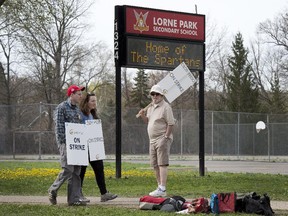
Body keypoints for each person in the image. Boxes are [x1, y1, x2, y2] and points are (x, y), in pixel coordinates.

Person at [48, 85, 87, 206]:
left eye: (81, 94)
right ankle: (53, 190)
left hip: (76, 144)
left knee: (76, 171)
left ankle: (73, 199)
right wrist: (65, 143)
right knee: (68, 168)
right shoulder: (62, 107)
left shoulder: (77, 109)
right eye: (79, 94)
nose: (81, 96)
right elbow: (59, 127)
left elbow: (79, 127)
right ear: (72, 94)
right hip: (65, 143)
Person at [79, 92, 117, 202]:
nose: (95, 103)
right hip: (84, 147)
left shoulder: (92, 114)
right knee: (82, 171)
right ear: (86, 102)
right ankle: (78, 194)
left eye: (95, 101)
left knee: (99, 168)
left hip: (93, 147)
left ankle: (104, 194)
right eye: (92, 101)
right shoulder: (80, 114)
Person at [138, 85, 175, 197]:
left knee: (162, 163)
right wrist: (142, 115)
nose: (155, 96)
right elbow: (148, 121)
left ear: (162, 95)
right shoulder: (150, 107)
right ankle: (159, 186)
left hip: (162, 139)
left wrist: (166, 137)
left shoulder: (166, 107)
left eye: (157, 94)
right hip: (152, 140)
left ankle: (163, 188)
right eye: (152, 94)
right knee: (155, 165)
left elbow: (171, 123)